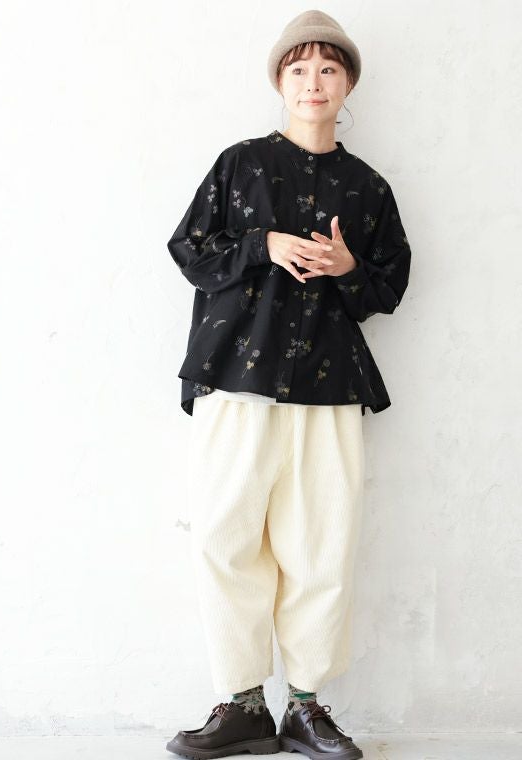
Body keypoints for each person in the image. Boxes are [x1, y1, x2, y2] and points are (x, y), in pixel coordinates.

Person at [164, 9, 411, 760]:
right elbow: (189, 249)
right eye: (299, 69)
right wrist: (262, 243)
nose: (313, 83)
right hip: (235, 375)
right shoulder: (239, 164)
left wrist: (349, 268)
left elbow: (390, 285)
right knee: (224, 538)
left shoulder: (367, 188)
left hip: (328, 387)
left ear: (348, 85)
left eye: (328, 69)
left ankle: (305, 706)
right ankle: (242, 705)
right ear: (279, 81)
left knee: (321, 545)